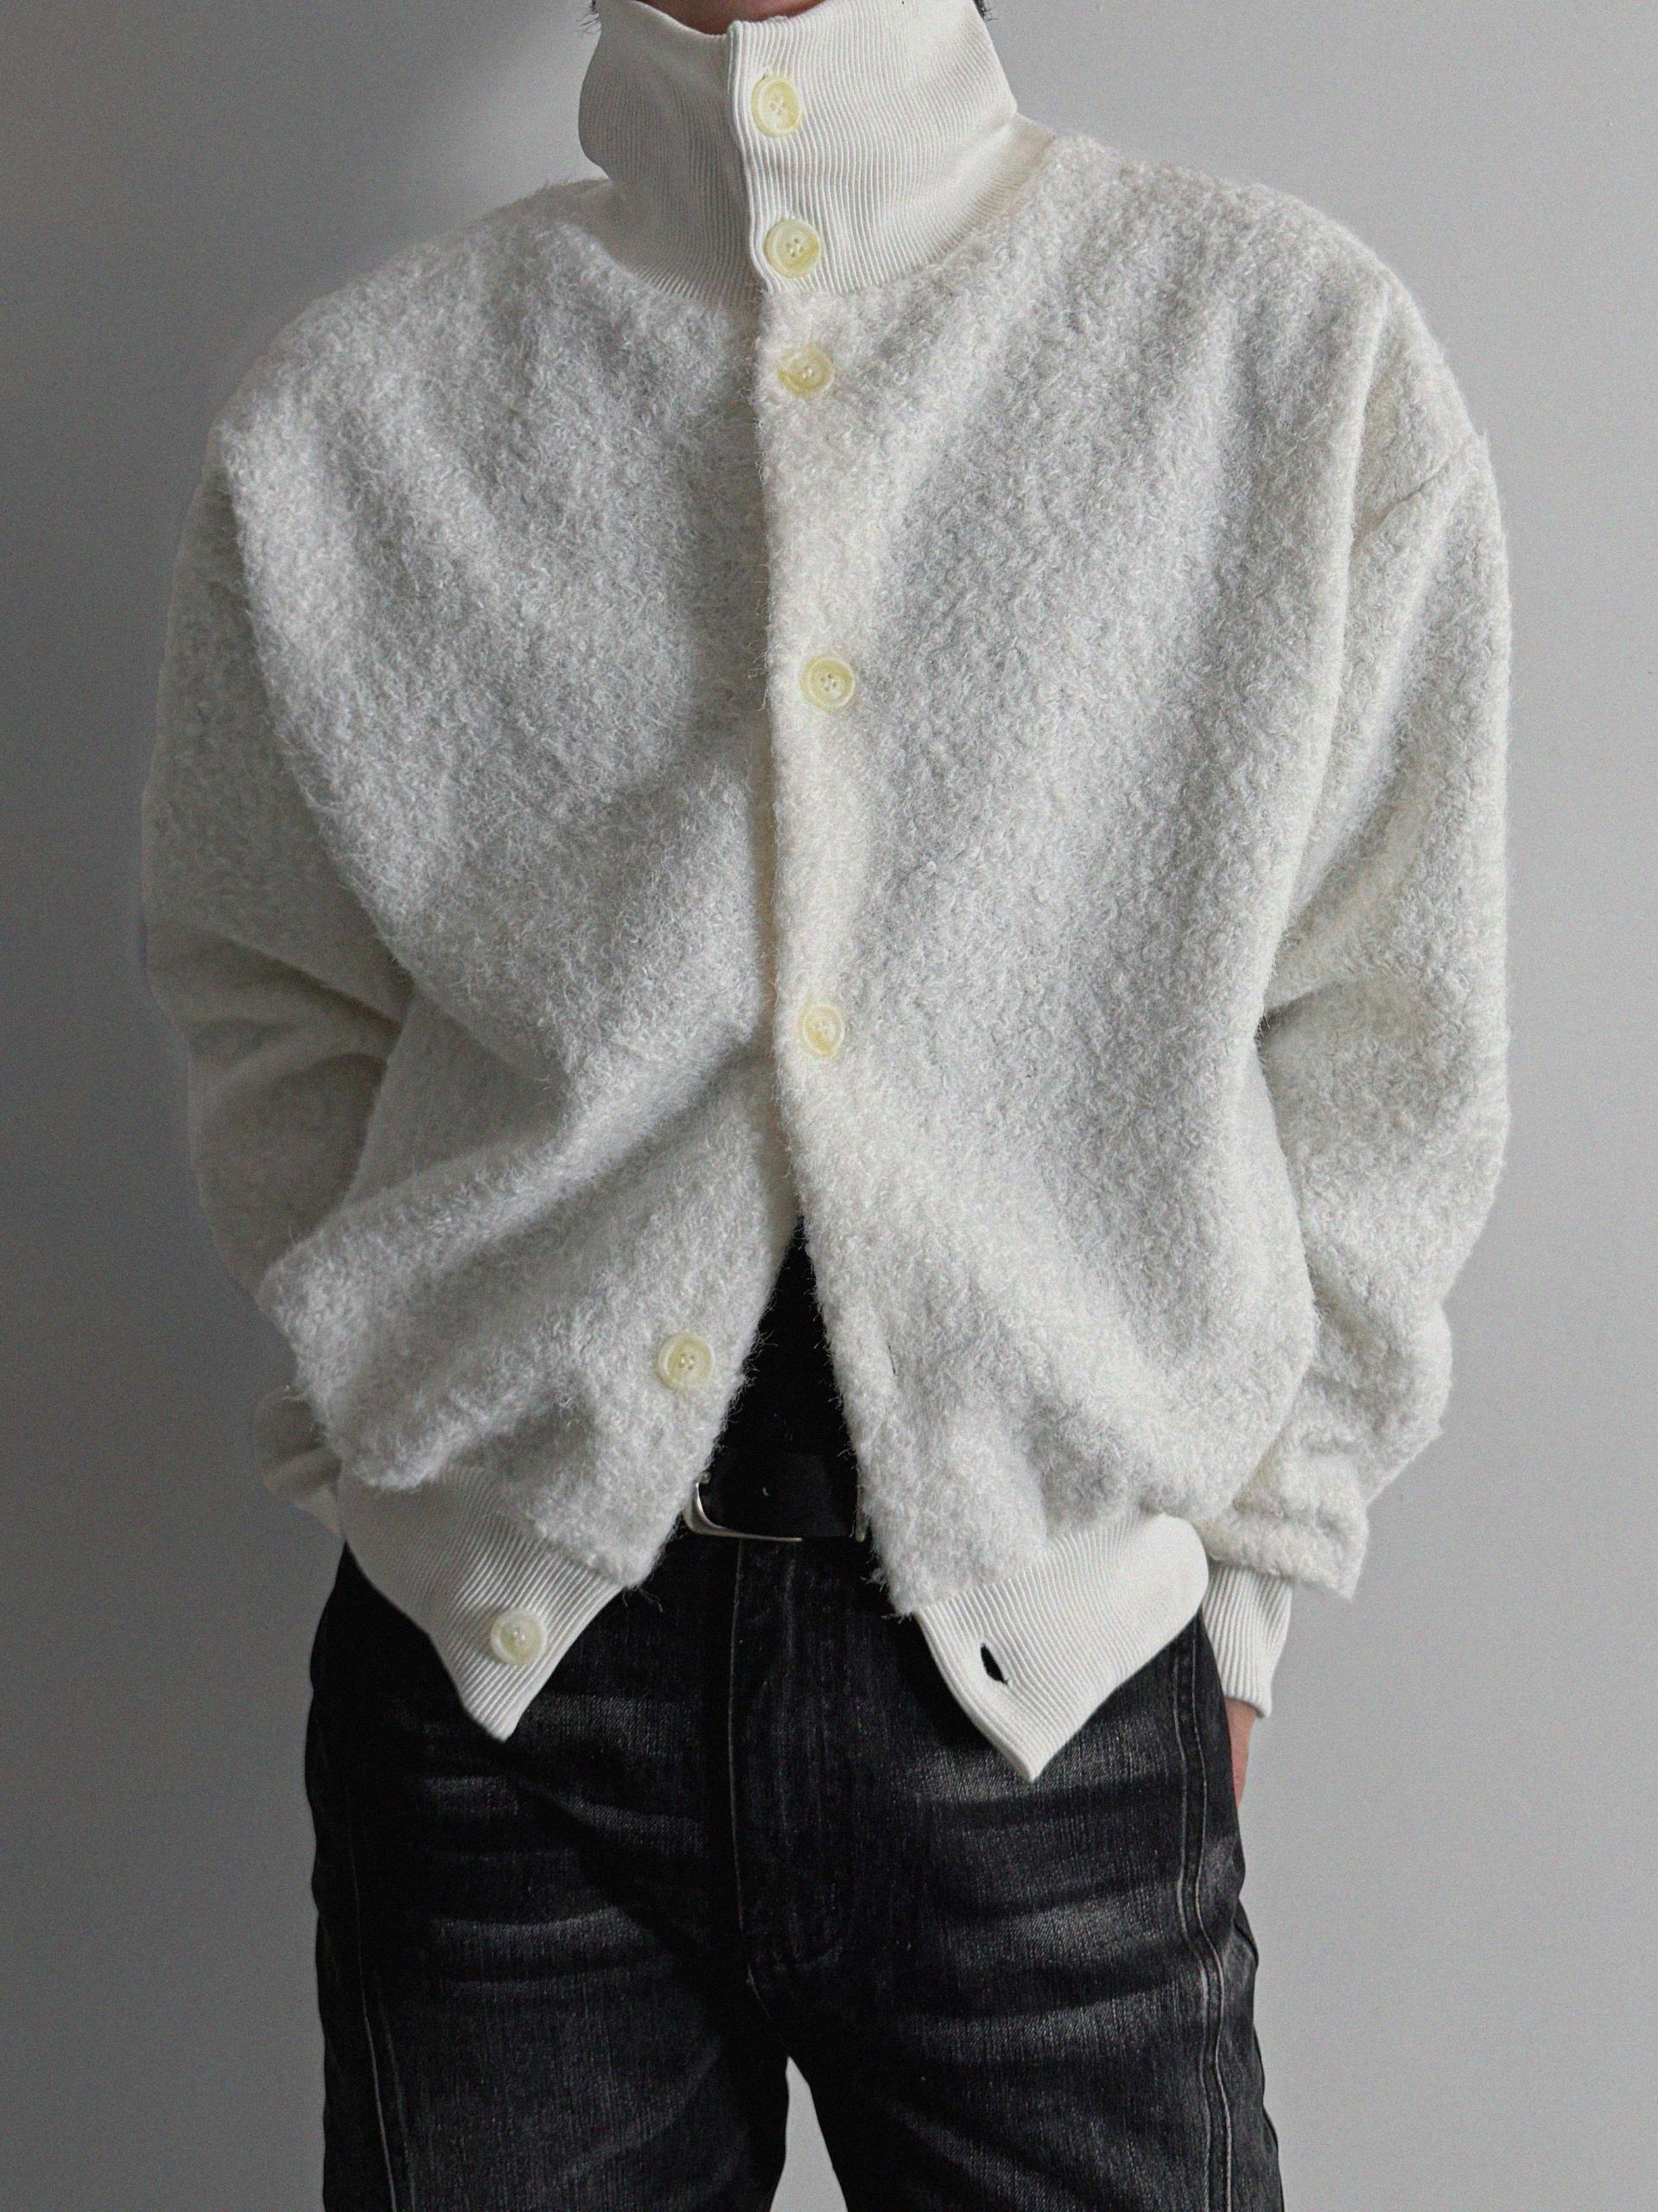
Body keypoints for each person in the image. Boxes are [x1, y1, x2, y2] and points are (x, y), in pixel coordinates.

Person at [139, 0, 1511, 2202]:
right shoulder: (357, 410)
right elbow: (268, 996)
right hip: (505, 1703)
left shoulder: (1280, 352)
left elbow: (1391, 1038)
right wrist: (446, 1454)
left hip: (1055, 1670)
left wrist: (1247, 1584)